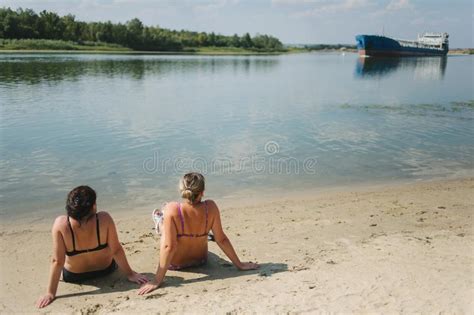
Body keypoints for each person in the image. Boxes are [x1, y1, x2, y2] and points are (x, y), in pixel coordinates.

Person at [138, 172, 259, 295]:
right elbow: (221, 239)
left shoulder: (173, 208)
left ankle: (160, 222)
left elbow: (169, 246)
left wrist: (157, 280)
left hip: (176, 264)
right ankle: (165, 220)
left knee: (166, 222)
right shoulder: (211, 207)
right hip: (201, 260)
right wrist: (239, 264)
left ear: (182, 191)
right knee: (182, 222)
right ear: (202, 192)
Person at [36, 186, 148, 308]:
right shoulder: (104, 219)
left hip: (74, 276)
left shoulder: (61, 224)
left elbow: (57, 261)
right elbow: (116, 250)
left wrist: (50, 293)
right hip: (105, 270)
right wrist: (130, 274)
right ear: (93, 206)